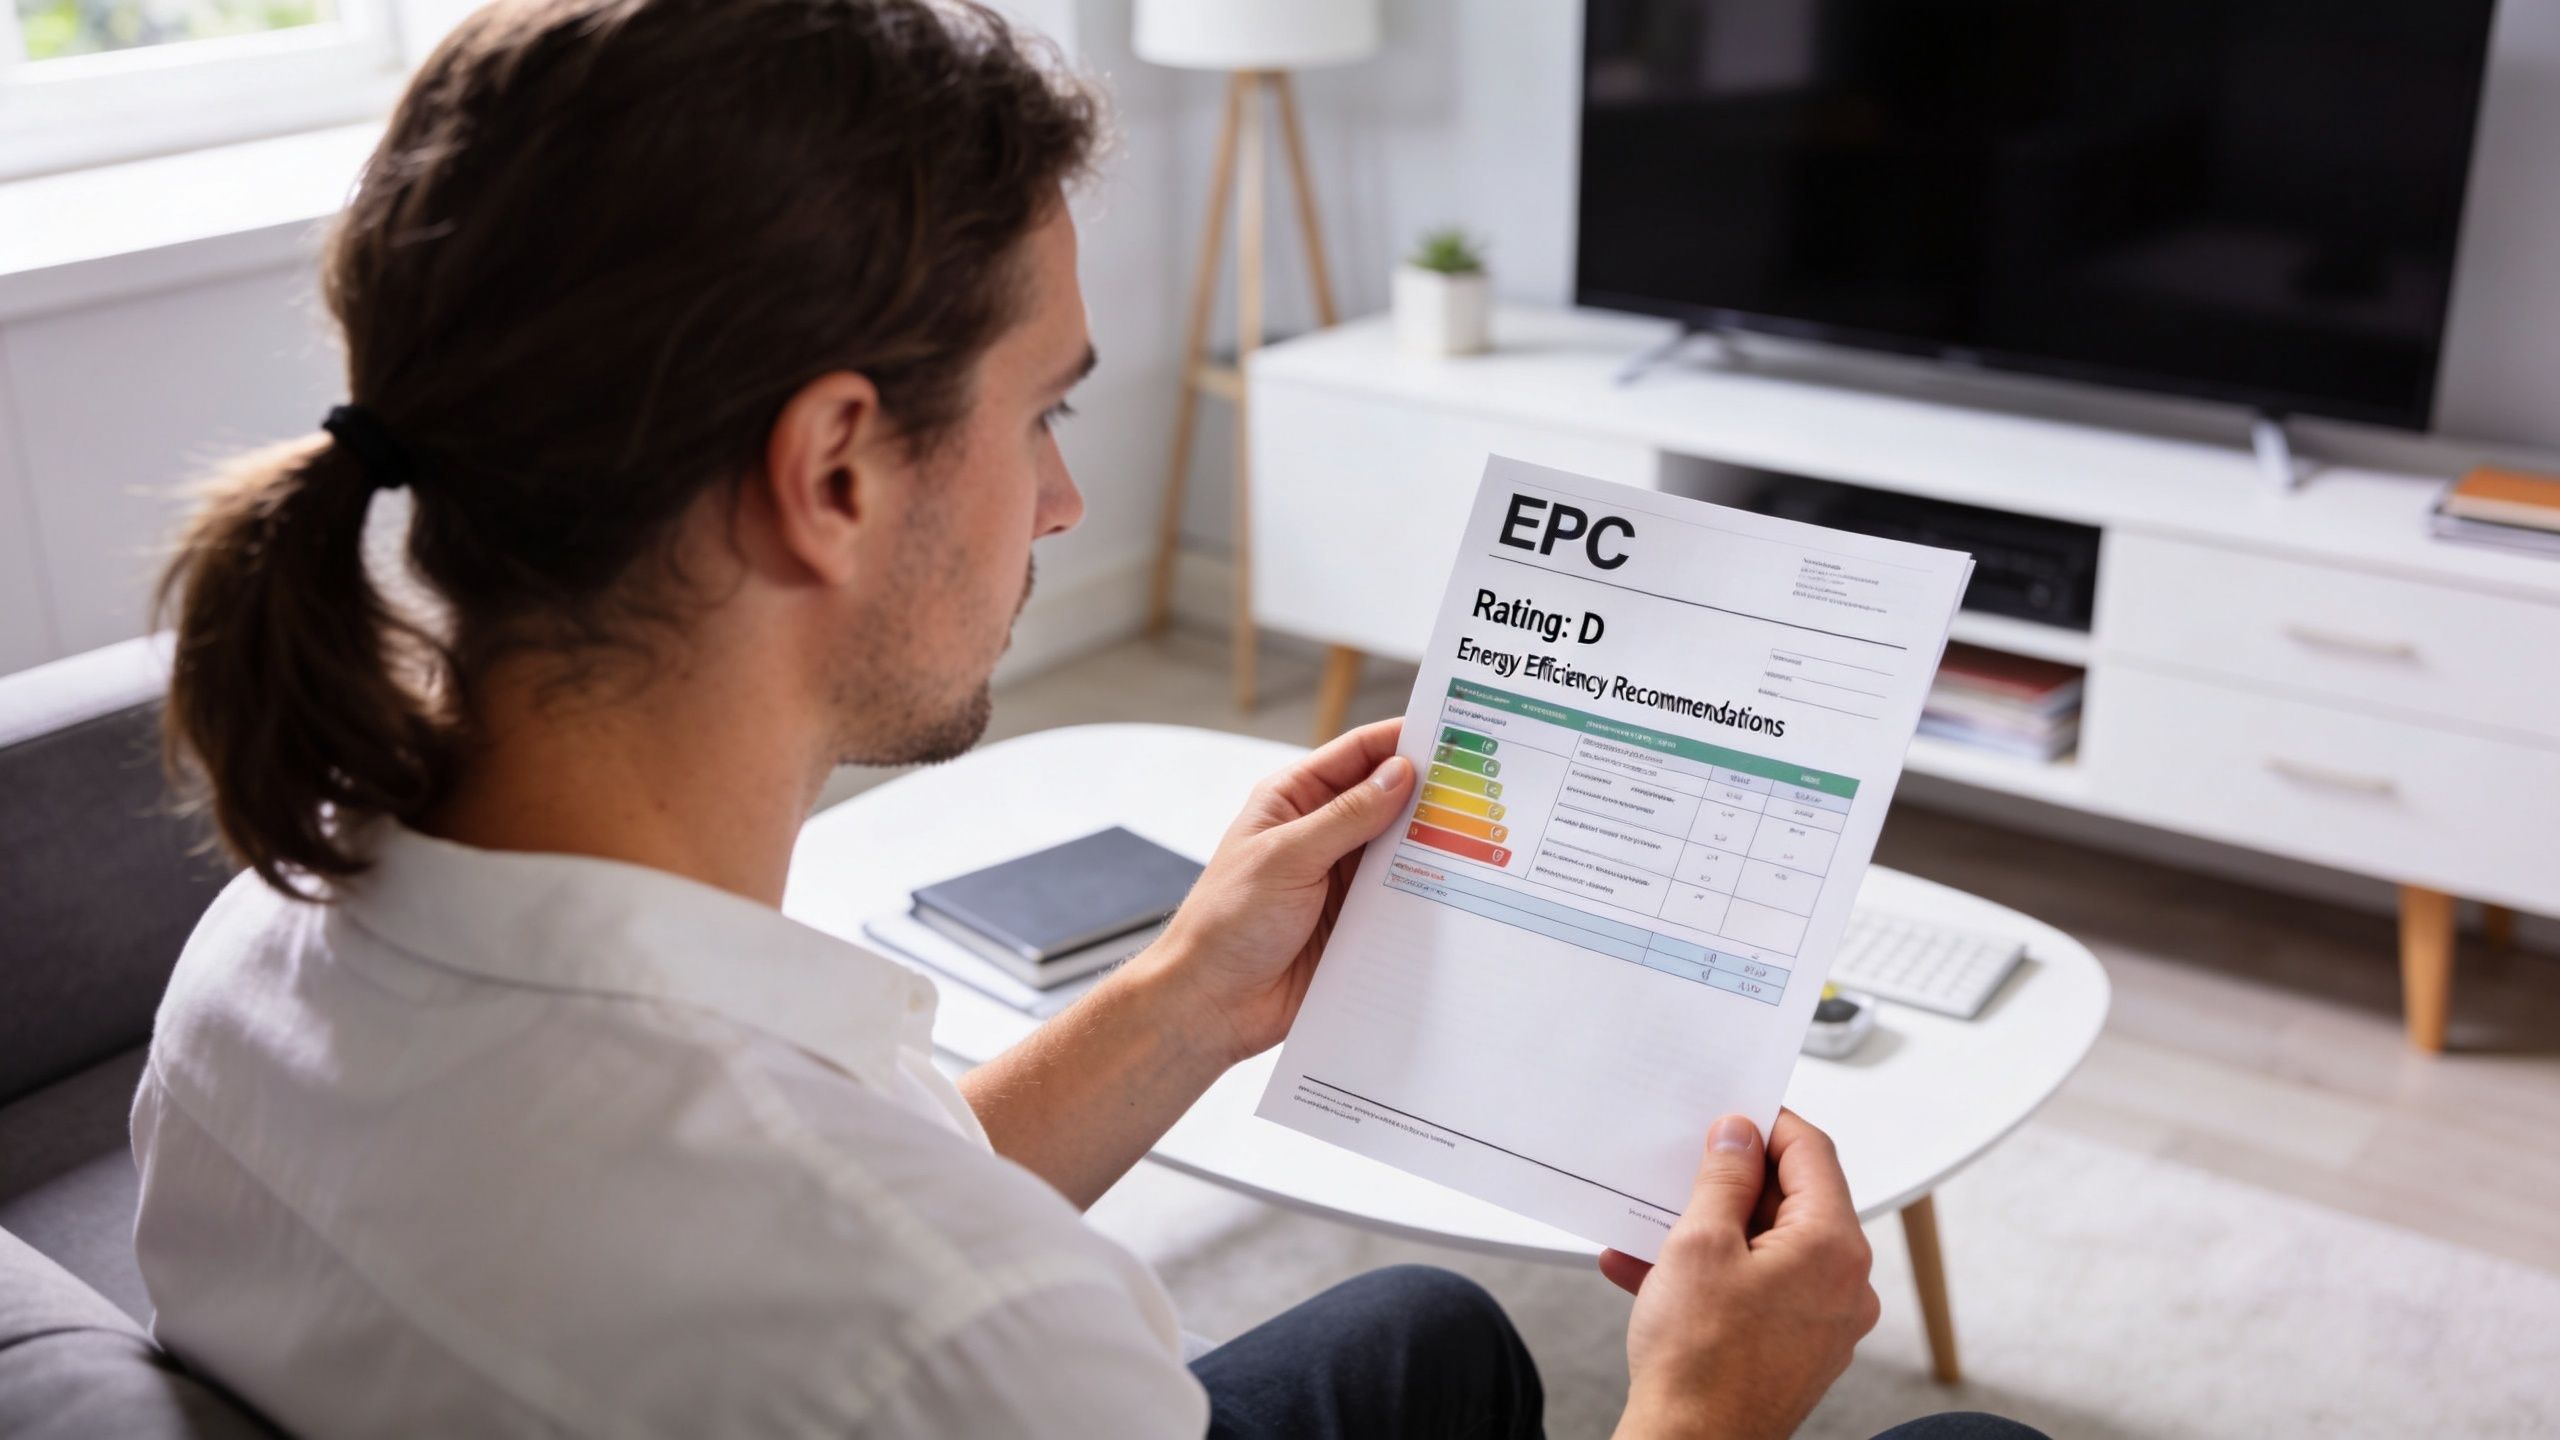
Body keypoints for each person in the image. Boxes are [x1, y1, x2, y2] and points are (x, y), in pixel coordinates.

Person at [138, 1, 2044, 1436]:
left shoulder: (267, 945)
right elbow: (881, 1282)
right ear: (833, 470)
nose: (1063, 506)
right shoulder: (949, 1338)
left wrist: (1188, 995)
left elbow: (832, 1200)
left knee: (1428, 1342)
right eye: (1045, 411)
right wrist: (1702, 1410)